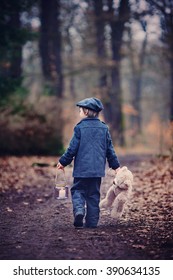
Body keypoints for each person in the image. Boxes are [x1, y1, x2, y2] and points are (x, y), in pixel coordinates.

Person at [57, 97, 120, 228]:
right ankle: (92, 222)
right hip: (96, 171)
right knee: (93, 195)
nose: (80, 112)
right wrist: (116, 167)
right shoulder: (104, 128)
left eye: (80, 110)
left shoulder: (80, 128)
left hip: (81, 170)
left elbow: (72, 149)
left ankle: (79, 210)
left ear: (86, 112)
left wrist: (63, 162)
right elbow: (110, 149)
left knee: (78, 190)